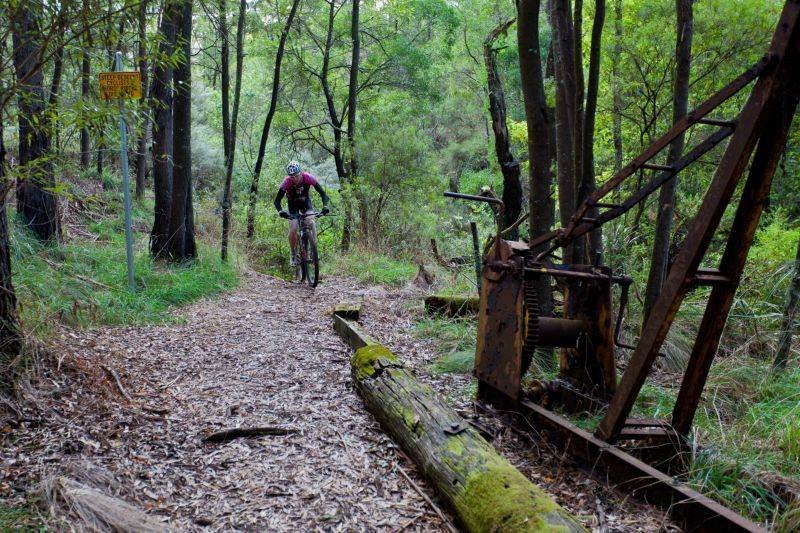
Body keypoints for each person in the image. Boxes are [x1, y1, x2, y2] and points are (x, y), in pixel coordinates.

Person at [274, 161, 330, 266]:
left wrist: (325, 206)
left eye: (296, 175)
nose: (295, 178)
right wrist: (281, 211)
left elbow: (323, 194)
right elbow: (277, 201)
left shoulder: (308, 177)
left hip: (305, 202)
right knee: (294, 228)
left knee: (311, 222)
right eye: (292, 177)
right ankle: (293, 253)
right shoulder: (286, 182)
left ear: (300, 172)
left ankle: (314, 250)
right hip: (293, 204)